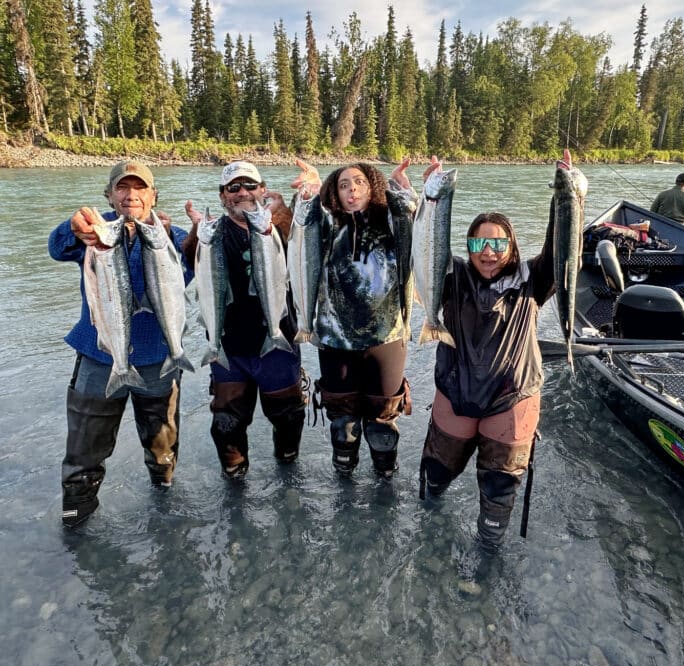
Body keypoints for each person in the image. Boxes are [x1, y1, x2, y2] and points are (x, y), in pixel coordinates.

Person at [419, 149, 583, 550]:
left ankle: (488, 549)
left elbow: (561, 244)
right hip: (456, 391)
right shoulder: (450, 274)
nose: (488, 251)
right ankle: (427, 525)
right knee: (437, 471)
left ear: (511, 246)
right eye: (479, 241)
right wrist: (419, 203)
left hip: (512, 397)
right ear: (468, 244)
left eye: (498, 243)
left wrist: (566, 195)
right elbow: (421, 246)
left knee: (499, 483)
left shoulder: (535, 279)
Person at [49, 160, 192, 527]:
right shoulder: (95, 236)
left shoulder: (170, 238)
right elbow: (56, 248)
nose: (131, 195)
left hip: (158, 359)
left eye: (140, 188)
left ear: (153, 195)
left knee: (162, 444)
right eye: (122, 188)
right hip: (100, 356)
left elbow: (193, 268)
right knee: (84, 447)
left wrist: (194, 238)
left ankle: (164, 500)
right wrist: (73, 228)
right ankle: (76, 517)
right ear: (110, 196)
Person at [289, 157, 417, 478]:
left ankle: (385, 474)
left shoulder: (391, 221)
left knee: (382, 422)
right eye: (344, 185)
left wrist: (408, 196)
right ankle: (343, 472)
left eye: (359, 182)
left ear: (372, 186)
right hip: (335, 340)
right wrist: (309, 193)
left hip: (386, 339)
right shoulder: (327, 226)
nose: (352, 190)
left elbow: (418, 229)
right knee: (342, 422)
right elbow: (300, 232)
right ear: (335, 192)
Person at [182, 161, 306, 479]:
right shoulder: (213, 234)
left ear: (263, 190)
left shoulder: (280, 226)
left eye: (250, 186)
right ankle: (235, 475)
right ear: (223, 197)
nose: (243, 193)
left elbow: (306, 242)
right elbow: (190, 257)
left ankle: (287, 464)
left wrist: (286, 215)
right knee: (227, 424)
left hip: (279, 343)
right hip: (229, 349)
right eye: (233, 188)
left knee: (289, 416)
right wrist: (197, 230)